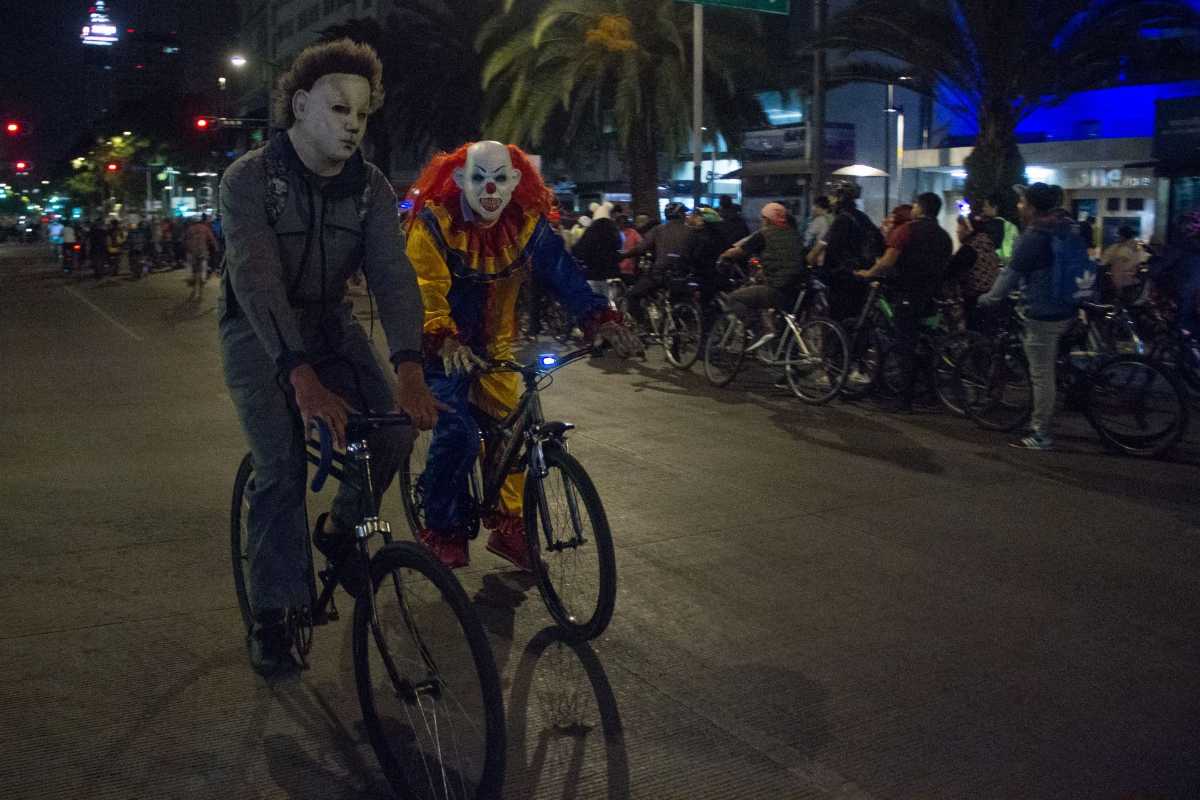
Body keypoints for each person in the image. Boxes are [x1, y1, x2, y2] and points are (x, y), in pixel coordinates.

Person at [217, 38, 441, 677]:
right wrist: (300, 378)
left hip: (330, 323)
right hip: (258, 334)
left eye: (363, 115)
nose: (352, 126)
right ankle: (272, 614)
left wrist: (408, 366)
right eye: (340, 110)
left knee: (394, 432)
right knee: (281, 466)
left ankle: (342, 533)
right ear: (300, 106)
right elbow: (255, 281)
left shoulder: (368, 187)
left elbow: (393, 276)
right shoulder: (249, 180)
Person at [404, 140, 639, 571]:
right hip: (442, 347)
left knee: (516, 431)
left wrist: (597, 318)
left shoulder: (527, 227)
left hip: (495, 347)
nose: (489, 188)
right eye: (479, 177)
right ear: (460, 180)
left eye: (499, 178)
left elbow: (563, 274)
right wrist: (443, 339)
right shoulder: (435, 224)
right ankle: (442, 526)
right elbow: (425, 289)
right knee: (455, 433)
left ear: (515, 182)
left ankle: (510, 525)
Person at [978, 183, 1077, 450]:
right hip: (1069, 305)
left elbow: (1010, 274)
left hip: (1043, 311)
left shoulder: (1034, 235)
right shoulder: (1064, 226)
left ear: (1031, 207)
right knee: (1055, 368)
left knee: (1042, 374)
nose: (1019, 206)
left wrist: (989, 298)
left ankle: (1041, 434)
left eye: (1022, 202)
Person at [854, 192, 953, 411]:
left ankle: (904, 400)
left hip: (908, 293)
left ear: (919, 208)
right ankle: (930, 393)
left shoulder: (906, 230)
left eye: (915, 205)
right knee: (926, 345)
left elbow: (887, 262)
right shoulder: (943, 235)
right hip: (932, 296)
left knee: (905, 345)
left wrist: (868, 273)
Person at [718, 201, 806, 351]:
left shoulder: (764, 234)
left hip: (778, 289)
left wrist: (723, 256)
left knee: (735, 298)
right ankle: (789, 358)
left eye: (762, 218)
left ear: (767, 219)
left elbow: (739, 251)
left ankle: (761, 330)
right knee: (784, 321)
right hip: (798, 288)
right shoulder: (794, 233)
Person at [811, 181, 884, 322]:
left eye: (832, 196)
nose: (830, 201)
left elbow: (828, 247)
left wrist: (813, 261)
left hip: (844, 276)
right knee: (858, 316)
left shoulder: (841, 219)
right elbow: (879, 241)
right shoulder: (862, 217)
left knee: (839, 320)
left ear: (839, 198)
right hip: (863, 273)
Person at [620, 201, 694, 327]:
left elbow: (640, 248)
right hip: (684, 275)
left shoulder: (658, 230)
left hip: (661, 274)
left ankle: (642, 325)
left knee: (632, 295)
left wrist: (623, 255)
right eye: (684, 213)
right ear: (680, 215)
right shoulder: (691, 231)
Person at [572, 201, 623, 303]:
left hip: (594, 273)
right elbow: (619, 246)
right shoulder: (615, 231)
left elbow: (580, 249)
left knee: (596, 302)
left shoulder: (591, 231)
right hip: (613, 272)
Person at [1099, 225, 1144, 301]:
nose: (1117, 237)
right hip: (1135, 283)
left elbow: (1104, 263)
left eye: (1118, 235)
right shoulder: (1139, 248)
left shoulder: (1118, 249)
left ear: (1122, 236)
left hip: (1121, 283)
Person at [977, 193, 1019, 264]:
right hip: (1008, 266)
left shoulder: (987, 227)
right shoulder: (1012, 227)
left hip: (991, 267)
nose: (983, 209)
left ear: (995, 208)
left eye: (985, 206)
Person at [184, 214, 218, 300]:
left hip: (193, 251)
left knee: (194, 269)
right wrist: (215, 247)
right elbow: (212, 238)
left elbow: (185, 240)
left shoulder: (190, 229)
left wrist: (188, 248)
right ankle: (202, 278)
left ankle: (194, 281)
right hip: (203, 251)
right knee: (203, 266)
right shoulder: (205, 228)